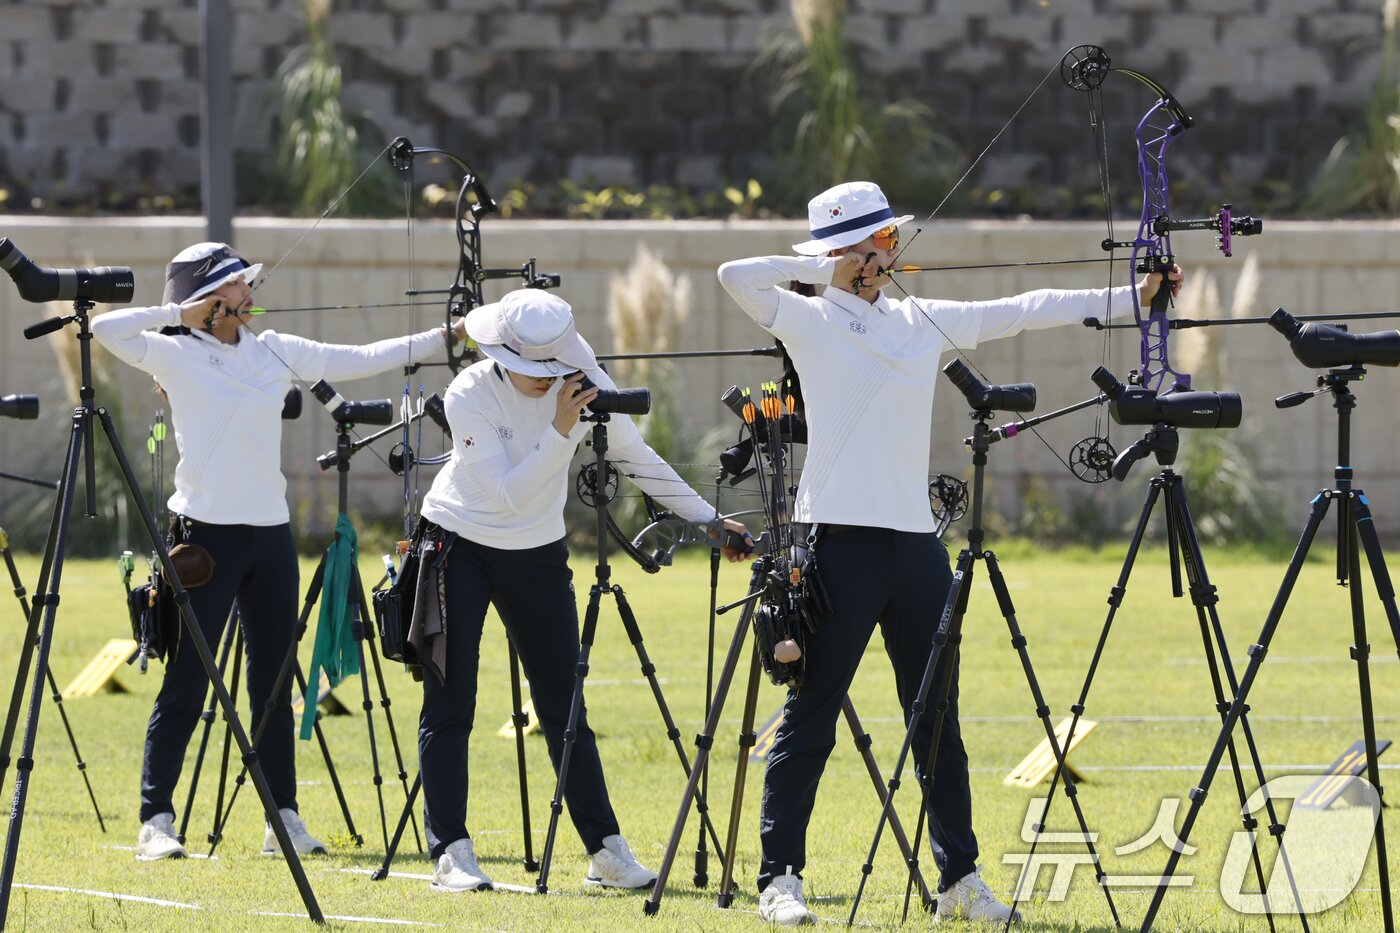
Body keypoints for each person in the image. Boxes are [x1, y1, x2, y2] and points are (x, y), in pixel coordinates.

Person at [718, 181, 1184, 925]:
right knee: (812, 714)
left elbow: (1026, 308)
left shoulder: (919, 322)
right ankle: (781, 876)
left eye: (886, 242)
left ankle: (958, 878)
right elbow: (731, 277)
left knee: (936, 714)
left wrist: (1136, 295)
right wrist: (823, 264)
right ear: (846, 253)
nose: (887, 254)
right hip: (837, 543)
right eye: (874, 244)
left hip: (913, 549)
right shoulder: (806, 319)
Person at [92, 241, 463, 861]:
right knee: (189, 676)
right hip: (203, 538)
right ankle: (156, 818)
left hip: (269, 537)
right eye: (237, 287)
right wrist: (178, 316)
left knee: (272, 681)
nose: (250, 295)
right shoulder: (174, 351)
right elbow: (105, 327)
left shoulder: (275, 349)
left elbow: (367, 355)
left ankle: (281, 817)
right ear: (209, 298)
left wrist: (448, 334)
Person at [415, 289, 749, 893]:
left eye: (553, 368)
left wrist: (706, 519)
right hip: (458, 543)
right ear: (500, 356)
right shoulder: (467, 394)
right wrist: (563, 428)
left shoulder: (581, 375)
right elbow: (509, 493)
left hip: (538, 551)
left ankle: (604, 851)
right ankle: (451, 851)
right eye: (533, 372)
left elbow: (635, 455)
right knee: (451, 701)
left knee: (565, 704)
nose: (548, 381)